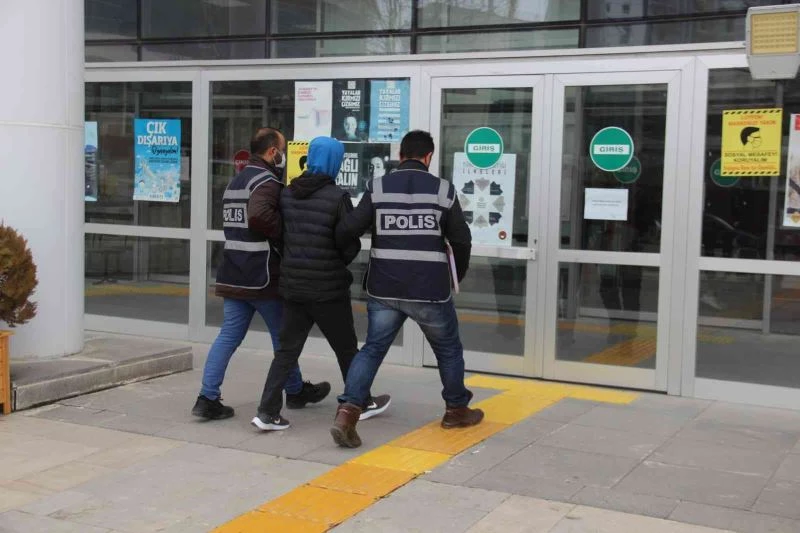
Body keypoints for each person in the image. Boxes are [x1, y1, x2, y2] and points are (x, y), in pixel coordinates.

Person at [331, 130, 482, 448]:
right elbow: (462, 240)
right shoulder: (443, 190)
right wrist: (456, 274)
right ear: (429, 157)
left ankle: (347, 412)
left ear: (401, 155)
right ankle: (456, 410)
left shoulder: (378, 187)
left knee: (372, 349)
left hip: (384, 287)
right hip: (430, 289)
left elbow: (348, 229)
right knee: (448, 350)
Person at [252, 136, 391, 431]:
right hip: (328, 289)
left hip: (294, 287)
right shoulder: (337, 197)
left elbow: (280, 234)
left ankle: (267, 413)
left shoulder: (287, 194)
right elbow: (346, 242)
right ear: (334, 162)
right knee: (346, 349)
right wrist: (341, 258)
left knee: (286, 352)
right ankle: (362, 401)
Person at [192, 128, 329, 420]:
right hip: (262, 276)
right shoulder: (266, 182)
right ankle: (293, 392)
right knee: (283, 340)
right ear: (272, 152)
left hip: (234, 273)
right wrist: (284, 235)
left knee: (228, 337)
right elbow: (259, 217)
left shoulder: (236, 182)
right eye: (282, 150)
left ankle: (207, 397)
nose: (284, 156)